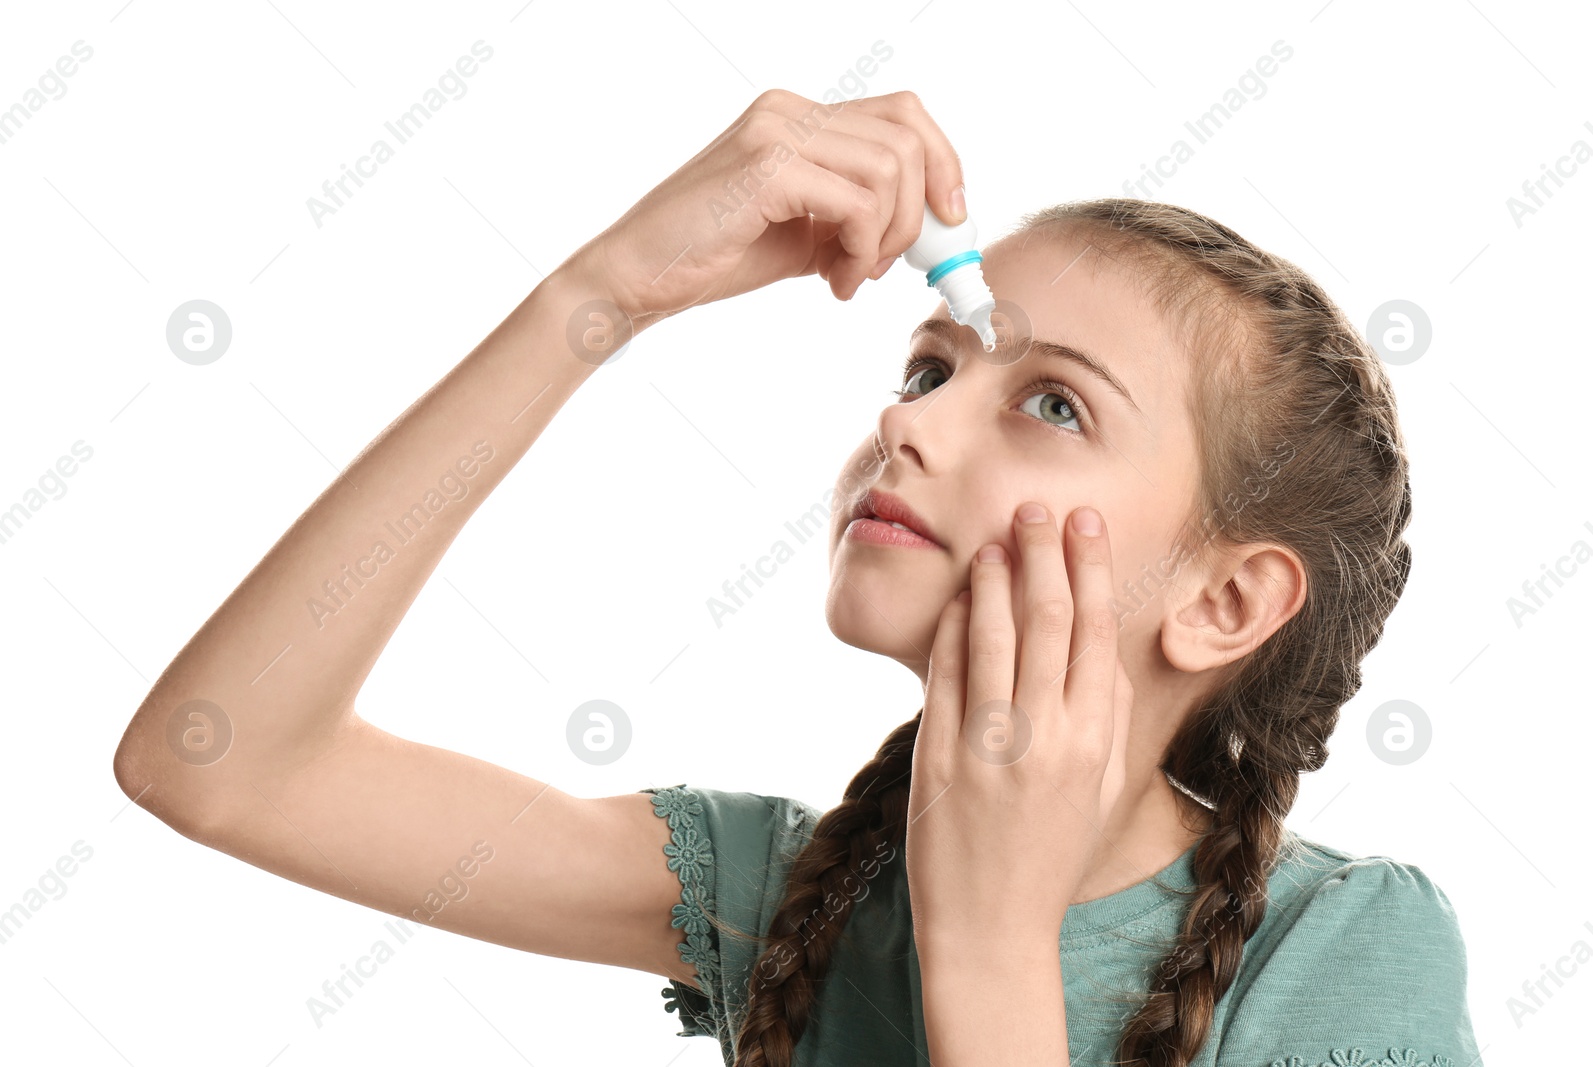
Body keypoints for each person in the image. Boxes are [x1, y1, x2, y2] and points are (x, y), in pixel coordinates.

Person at [113, 89, 1483, 1066]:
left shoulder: (1350, 954)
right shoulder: (792, 897)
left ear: (1225, 601)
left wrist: (991, 943)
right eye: (930, 368)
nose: (911, 422)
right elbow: (217, 764)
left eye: (1054, 405)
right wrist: (604, 293)